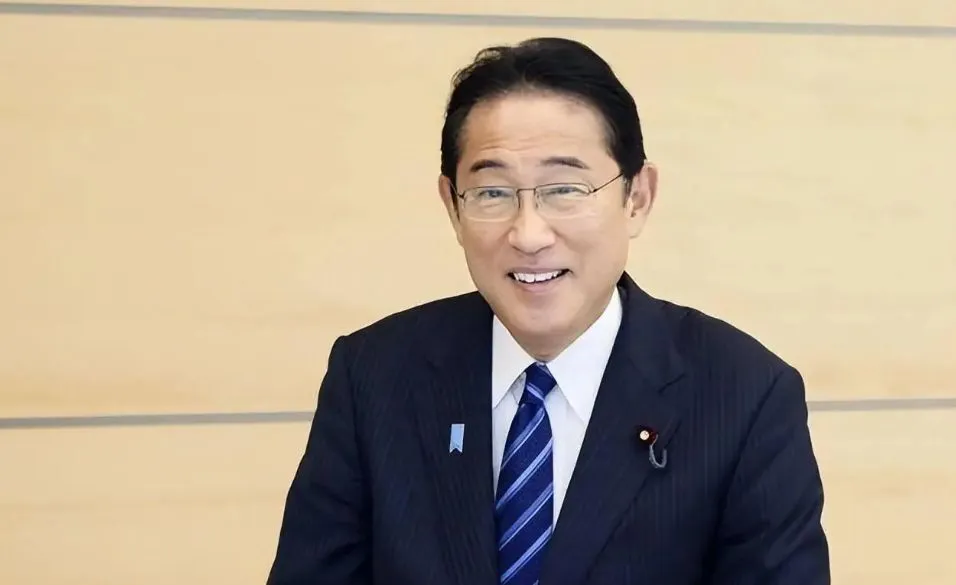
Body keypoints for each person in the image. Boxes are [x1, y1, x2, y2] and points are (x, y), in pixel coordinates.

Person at [265, 37, 830, 585]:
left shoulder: (743, 395)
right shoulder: (374, 376)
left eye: (565, 189)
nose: (529, 234)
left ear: (637, 198)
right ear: (452, 207)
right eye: (492, 193)